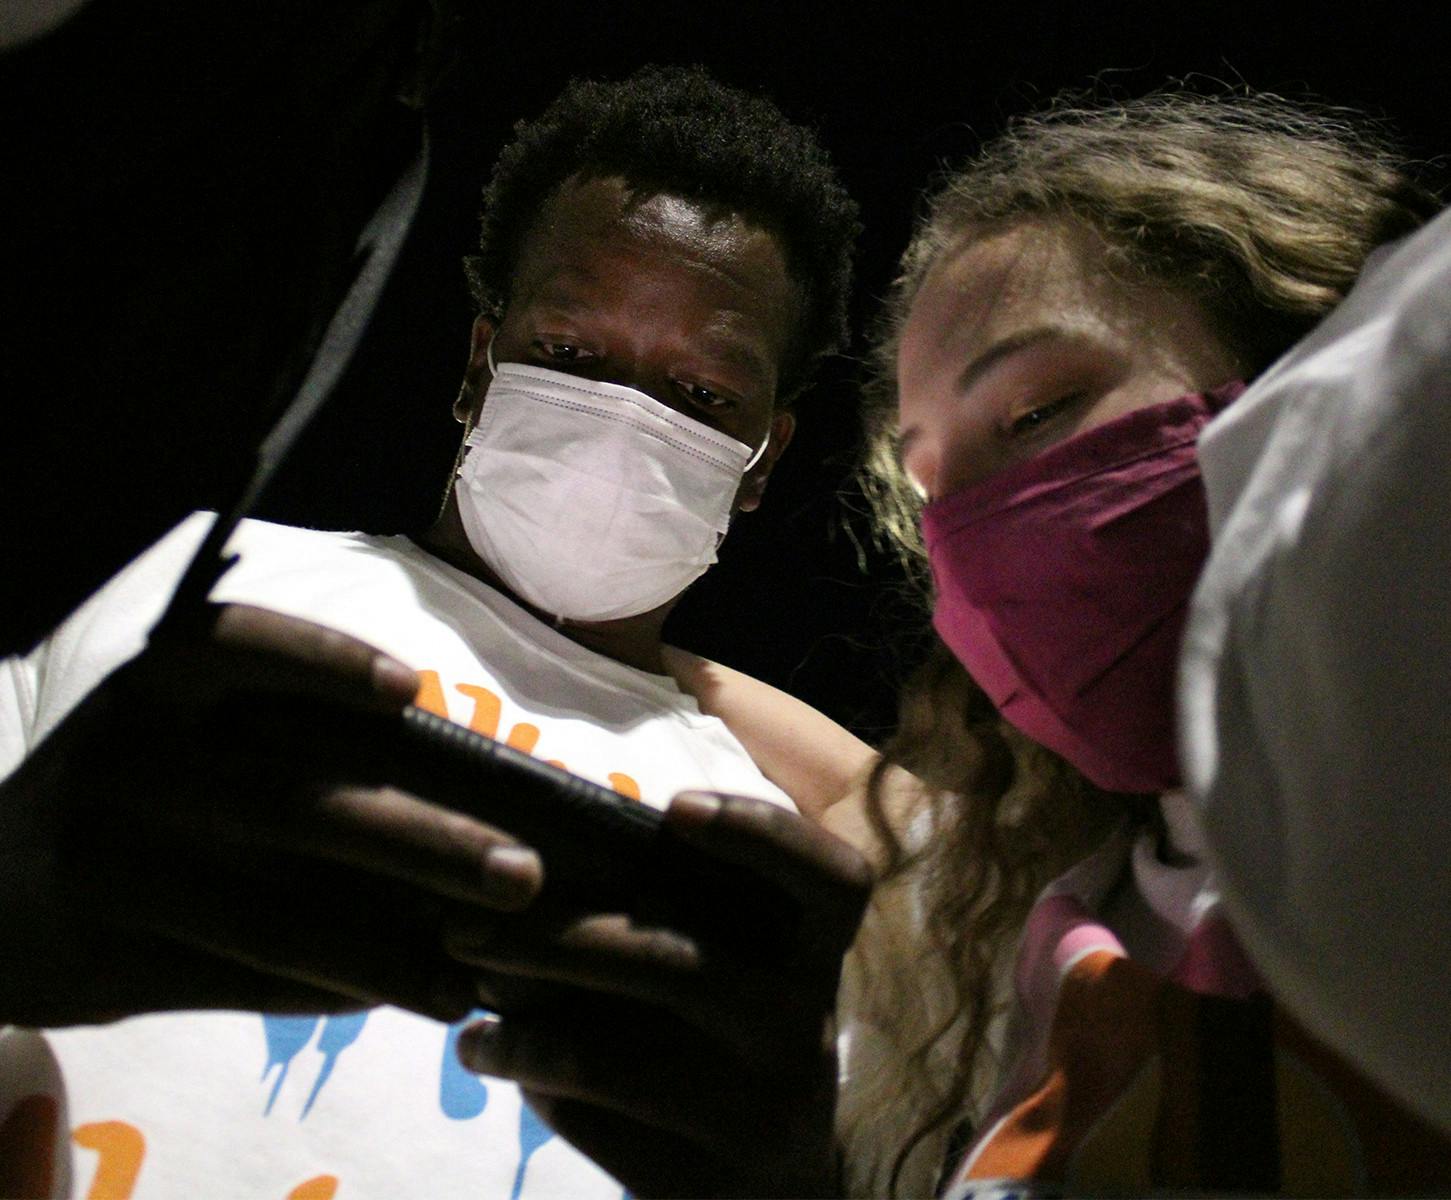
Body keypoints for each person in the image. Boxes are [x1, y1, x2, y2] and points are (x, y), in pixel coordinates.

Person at [443, 91, 1451, 1198]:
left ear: (1314, 357)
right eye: (933, 497)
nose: (978, 537)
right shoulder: (1049, 940)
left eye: (1033, 413)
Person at [0, 64, 869, 1197]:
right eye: (570, 352)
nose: (624, 417)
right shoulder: (170, 580)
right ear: (477, 362)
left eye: (701, 396)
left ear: (764, 462)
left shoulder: (765, 853)